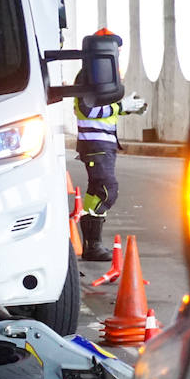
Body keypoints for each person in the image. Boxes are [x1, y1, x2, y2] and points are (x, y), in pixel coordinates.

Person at [75, 28, 147, 261]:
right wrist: (121, 107)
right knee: (107, 191)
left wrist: (129, 109)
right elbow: (87, 110)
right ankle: (92, 244)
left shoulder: (102, 77)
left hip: (102, 144)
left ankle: (91, 244)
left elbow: (104, 113)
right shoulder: (87, 76)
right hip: (95, 144)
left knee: (97, 191)